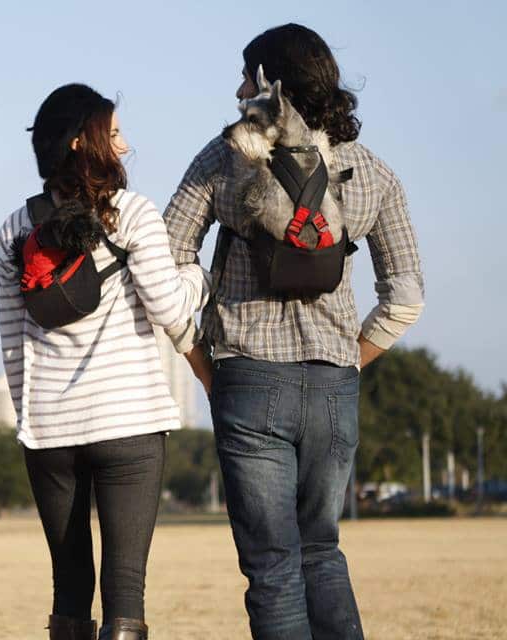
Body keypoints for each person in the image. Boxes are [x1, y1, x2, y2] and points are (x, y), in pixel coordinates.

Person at [163, 24, 425, 640]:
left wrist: (202, 362)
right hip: (335, 384)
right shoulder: (371, 172)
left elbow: (168, 261)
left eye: (245, 76)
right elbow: (406, 294)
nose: (236, 88)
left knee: (272, 567)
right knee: (322, 551)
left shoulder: (223, 157)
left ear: (269, 86)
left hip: (248, 377)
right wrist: (352, 360)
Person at [0, 84, 210, 640]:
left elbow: (13, 346)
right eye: (113, 134)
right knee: (125, 591)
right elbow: (169, 307)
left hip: (50, 433)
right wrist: (201, 279)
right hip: (128, 425)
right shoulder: (132, 214)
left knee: (68, 587)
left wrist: (31, 418)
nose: (125, 145)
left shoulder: (13, 232)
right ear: (82, 143)